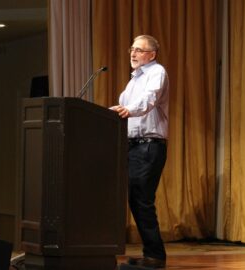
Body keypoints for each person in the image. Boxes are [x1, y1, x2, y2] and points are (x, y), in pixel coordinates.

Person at [110, 34, 169, 268]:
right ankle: (152, 253)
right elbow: (125, 109)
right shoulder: (133, 80)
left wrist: (127, 110)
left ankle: (155, 256)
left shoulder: (157, 72)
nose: (133, 53)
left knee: (142, 200)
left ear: (151, 54)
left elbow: (149, 100)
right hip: (133, 146)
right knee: (137, 200)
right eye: (132, 49)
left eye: (139, 50)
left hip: (148, 146)